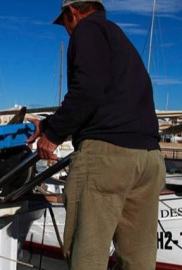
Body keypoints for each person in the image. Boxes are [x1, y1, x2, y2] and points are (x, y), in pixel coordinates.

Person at [27, 1, 165, 269]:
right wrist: (46, 125)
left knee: (87, 258)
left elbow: (87, 91)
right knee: (139, 260)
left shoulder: (86, 30)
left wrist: (52, 135)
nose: (67, 30)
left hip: (107, 159)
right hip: (149, 160)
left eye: (65, 23)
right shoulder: (120, 39)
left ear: (72, 13)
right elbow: (105, 98)